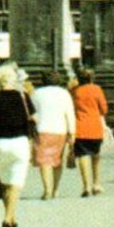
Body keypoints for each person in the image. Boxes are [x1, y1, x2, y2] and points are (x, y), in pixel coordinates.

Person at [0, 65, 33, 227]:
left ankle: (11, 218)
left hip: (0, 143)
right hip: (20, 141)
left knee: (5, 184)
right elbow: (34, 117)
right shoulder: (23, 96)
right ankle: (8, 216)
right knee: (16, 183)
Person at [30, 69, 76, 201]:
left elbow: (33, 113)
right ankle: (55, 189)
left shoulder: (36, 94)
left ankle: (47, 190)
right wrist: (72, 132)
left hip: (42, 129)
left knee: (45, 161)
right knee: (57, 161)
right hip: (60, 130)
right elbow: (70, 114)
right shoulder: (64, 94)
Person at [70, 67, 109, 197]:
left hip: (80, 127)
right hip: (95, 128)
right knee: (96, 155)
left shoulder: (75, 91)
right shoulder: (97, 89)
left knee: (82, 156)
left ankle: (86, 185)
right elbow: (103, 109)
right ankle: (96, 183)